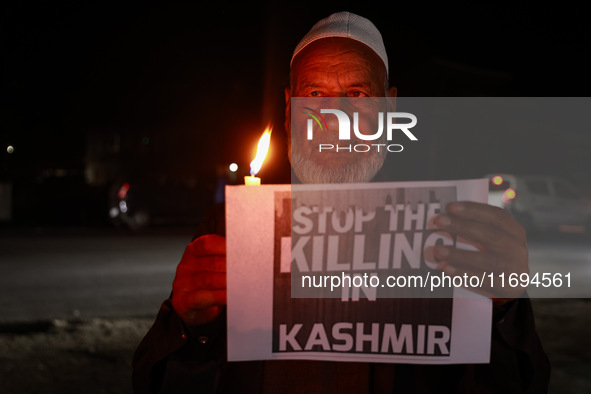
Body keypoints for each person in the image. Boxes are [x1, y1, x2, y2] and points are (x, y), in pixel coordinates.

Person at [133, 12, 549, 393]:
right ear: (288, 108)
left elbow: (517, 385)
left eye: (357, 93)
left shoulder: (450, 233)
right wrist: (187, 326)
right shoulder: (228, 231)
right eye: (314, 92)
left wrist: (502, 312)